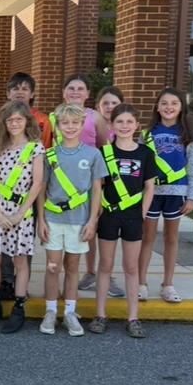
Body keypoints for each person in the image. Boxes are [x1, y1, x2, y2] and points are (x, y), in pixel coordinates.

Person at [37, 103, 107, 337]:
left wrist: (92, 221)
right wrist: (41, 220)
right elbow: (42, 189)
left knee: (73, 267)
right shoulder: (50, 155)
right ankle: (50, 310)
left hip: (80, 220)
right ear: (57, 126)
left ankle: (69, 311)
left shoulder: (93, 154)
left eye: (75, 123)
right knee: (53, 266)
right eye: (64, 123)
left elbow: (97, 190)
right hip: (53, 218)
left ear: (82, 125)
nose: (70, 127)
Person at [89, 104, 156, 338]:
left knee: (131, 267)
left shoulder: (145, 153)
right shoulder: (104, 152)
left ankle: (133, 317)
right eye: (120, 122)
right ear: (111, 125)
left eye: (129, 122)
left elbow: (150, 186)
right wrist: (96, 215)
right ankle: (100, 314)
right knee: (105, 266)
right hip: (109, 215)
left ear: (137, 125)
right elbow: (98, 187)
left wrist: (143, 213)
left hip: (133, 217)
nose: (125, 126)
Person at [0, 101, 45, 334]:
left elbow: (37, 184)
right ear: (4, 123)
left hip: (21, 212)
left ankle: (18, 308)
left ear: (27, 120)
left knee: (20, 261)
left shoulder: (36, 148)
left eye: (19, 119)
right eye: (10, 120)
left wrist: (21, 213)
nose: (14, 123)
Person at [138, 87, 193, 304]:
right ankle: (141, 283)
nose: (168, 107)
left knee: (171, 238)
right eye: (164, 103)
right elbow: (139, 166)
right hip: (151, 194)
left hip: (177, 193)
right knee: (147, 237)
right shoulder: (146, 135)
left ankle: (167, 284)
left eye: (174, 103)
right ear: (157, 107)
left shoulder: (188, 136)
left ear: (181, 107)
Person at [0, 72, 52, 300]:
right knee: (2, 240)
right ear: (8, 93)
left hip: (30, 192)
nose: (20, 92)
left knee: (23, 241)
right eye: (15, 88)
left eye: (25, 89)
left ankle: (22, 283)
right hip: (2, 193)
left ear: (33, 94)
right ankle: (6, 281)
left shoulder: (44, 121)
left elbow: (45, 153)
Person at [80, 85, 128, 298]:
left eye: (114, 103)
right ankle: (91, 271)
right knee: (92, 227)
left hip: (119, 187)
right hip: (96, 182)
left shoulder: (125, 127)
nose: (109, 107)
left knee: (109, 233)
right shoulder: (96, 125)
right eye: (105, 103)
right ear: (98, 106)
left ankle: (107, 275)